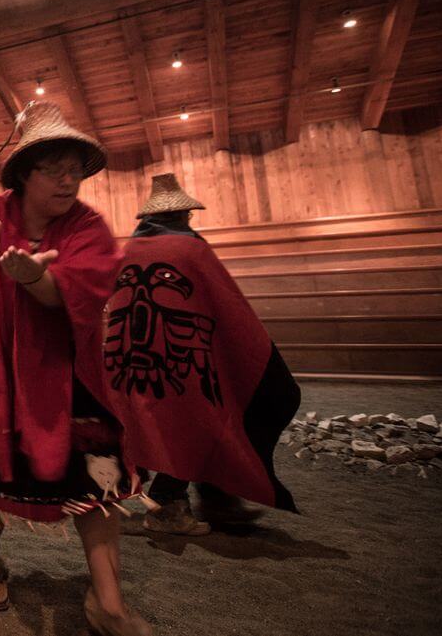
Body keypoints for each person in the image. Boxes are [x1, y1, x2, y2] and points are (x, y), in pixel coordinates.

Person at [0, 102, 153, 636]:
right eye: (55, 170)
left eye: (75, 170)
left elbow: (84, 290)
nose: (69, 181)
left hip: (72, 373)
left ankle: (108, 601)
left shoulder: (87, 224)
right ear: (25, 173)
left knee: (98, 471)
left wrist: (33, 279)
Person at [103, 173, 300, 537]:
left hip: (133, 358)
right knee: (204, 417)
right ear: (183, 215)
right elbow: (226, 305)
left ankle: (214, 498)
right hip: (184, 355)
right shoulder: (191, 248)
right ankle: (170, 503)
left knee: (176, 422)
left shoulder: (127, 251)